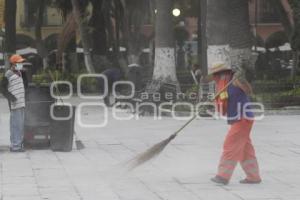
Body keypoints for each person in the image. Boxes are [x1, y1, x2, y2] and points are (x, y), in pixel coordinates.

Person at [204, 62, 261, 185]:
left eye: (216, 74)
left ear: (222, 73)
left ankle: (223, 176)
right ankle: (253, 176)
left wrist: (241, 79)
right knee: (245, 150)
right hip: (238, 118)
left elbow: (248, 91)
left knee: (230, 145)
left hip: (243, 118)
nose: (215, 77)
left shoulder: (234, 80)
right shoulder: (222, 84)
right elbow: (223, 101)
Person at [1, 55, 27, 152]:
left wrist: (24, 74)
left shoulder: (20, 73)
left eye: (21, 63)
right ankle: (15, 146)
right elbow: (2, 88)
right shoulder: (8, 74)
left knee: (20, 125)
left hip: (21, 103)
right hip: (14, 104)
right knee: (15, 125)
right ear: (13, 64)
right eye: (19, 63)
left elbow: (26, 85)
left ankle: (18, 144)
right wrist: (12, 98)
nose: (21, 64)